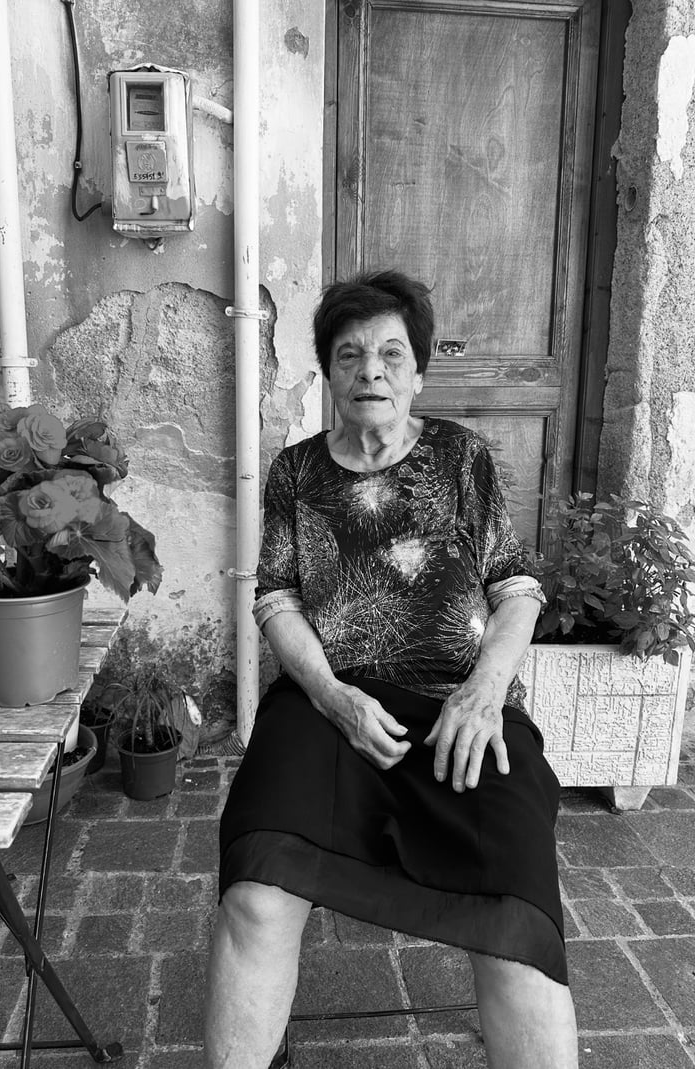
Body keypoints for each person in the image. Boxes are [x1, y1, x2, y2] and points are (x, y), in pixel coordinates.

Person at [203, 270, 578, 1069]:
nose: (369, 370)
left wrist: (484, 693)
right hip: (328, 705)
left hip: (460, 706)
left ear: (417, 372)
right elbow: (276, 599)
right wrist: (331, 694)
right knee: (257, 890)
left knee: (515, 921)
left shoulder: (462, 458)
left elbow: (517, 589)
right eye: (349, 354)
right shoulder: (295, 473)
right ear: (329, 373)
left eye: (390, 353)